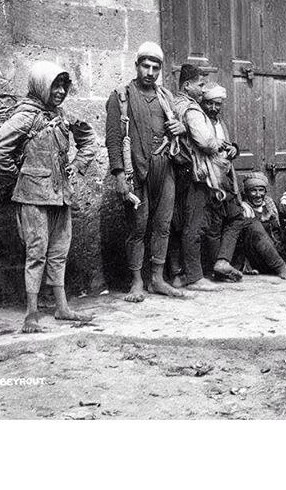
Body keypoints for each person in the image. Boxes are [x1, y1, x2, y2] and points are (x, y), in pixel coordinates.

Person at [0, 61, 97, 333]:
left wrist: (78, 164)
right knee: (36, 253)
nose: (60, 91)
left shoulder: (61, 115)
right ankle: (31, 313)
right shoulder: (25, 116)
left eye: (63, 86)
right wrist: (19, 180)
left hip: (61, 196)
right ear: (40, 87)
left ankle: (62, 307)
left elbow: (88, 138)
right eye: (54, 85)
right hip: (33, 198)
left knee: (59, 251)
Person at [105, 41, 185, 302]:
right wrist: (118, 175)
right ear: (136, 66)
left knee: (163, 225)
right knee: (137, 228)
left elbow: (177, 131)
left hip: (165, 168)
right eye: (145, 66)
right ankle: (137, 281)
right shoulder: (121, 96)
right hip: (135, 171)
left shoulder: (166, 97)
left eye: (155, 68)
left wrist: (179, 129)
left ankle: (157, 279)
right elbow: (114, 139)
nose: (150, 72)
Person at [172, 65, 239, 291]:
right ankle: (194, 277)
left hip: (183, 171)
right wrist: (215, 142)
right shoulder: (191, 109)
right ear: (187, 85)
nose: (202, 90)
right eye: (200, 85)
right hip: (195, 173)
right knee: (194, 225)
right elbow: (206, 142)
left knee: (184, 223)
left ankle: (179, 274)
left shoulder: (177, 103)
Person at [199, 83, 245, 281]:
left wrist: (234, 148)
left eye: (218, 104)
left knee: (235, 217)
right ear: (203, 102)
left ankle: (222, 261)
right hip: (209, 178)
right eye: (210, 103)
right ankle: (217, 265)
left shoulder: (220, 122)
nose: (214, 108)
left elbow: (225, 144)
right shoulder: (200, 121)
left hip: (225, 176)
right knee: (215, 224)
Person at [238, 173, 286, 280]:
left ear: (265, 192)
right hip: (258, 259)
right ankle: (281, 268)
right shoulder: (242, 209)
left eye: (261, 190)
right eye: (253, 190)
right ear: (246, 193)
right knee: (254, 225)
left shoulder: (270, 204)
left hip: (279, 252)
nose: (258, 195)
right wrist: (261, 219)